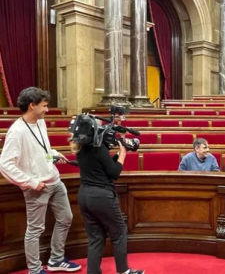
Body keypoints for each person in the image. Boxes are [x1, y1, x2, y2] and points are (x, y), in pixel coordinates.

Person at [0, 87, 81, 274]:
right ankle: (35, 270)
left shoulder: (40, 122)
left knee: (66, 218)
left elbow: (42, 150)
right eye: (44, 106)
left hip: (55, 181)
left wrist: (53, 155)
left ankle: (56, 259)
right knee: (35, 230)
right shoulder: (17, 131)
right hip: (37, 187)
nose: (47, 110)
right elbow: (5, 165)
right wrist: (31, 182)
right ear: (31, 105)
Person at [72, 131, 144, 274]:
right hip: (101, 196)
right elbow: (114, 172)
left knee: (96, 237)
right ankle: (123, 271)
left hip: (84, 195)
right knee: (119, 233)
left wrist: (118, 153)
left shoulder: (81, 147)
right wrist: (123, 153)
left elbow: (103, 166)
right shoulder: (99, 148)